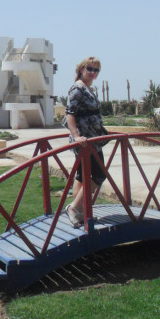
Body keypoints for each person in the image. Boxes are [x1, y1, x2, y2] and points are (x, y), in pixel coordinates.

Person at [63, 56, 108, 225]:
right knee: (99, 174)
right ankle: (74, 208)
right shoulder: (78, 88)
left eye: (96, 70)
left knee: (82, 176)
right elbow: (70, 114)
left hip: (92, 139)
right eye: (89, 68)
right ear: (81, 69)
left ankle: (81, 212)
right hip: (85, 141)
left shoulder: (87, 88)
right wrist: (76, 136)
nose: (92, 72)